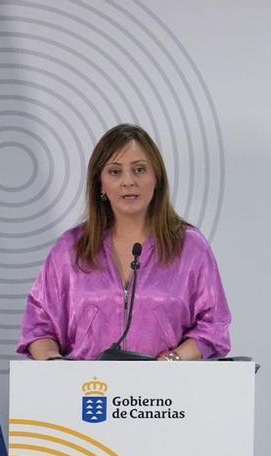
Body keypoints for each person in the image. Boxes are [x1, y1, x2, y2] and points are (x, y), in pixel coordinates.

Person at [18, 124, 231, 361]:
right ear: (100, 183)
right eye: (115, 172)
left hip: (166, 393)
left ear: (156, 177)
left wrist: (173, 360)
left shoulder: (190, 247)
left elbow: (213, 327)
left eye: (139, 170)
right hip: (88, 394)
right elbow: (39, 326)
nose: (128, 181)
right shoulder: (70, 249)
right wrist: (54, 363)